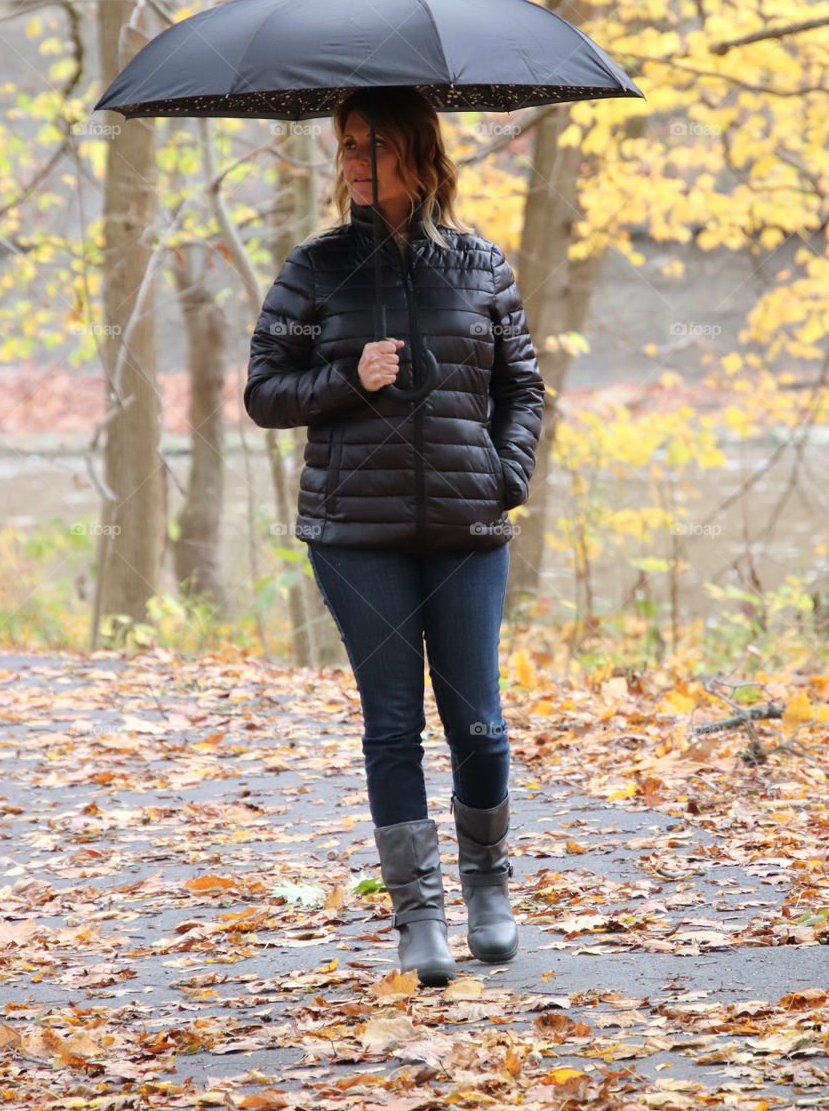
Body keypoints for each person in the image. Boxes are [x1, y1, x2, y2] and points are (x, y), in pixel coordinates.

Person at [244, 85, 545, 985]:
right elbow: (264, 392)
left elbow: (521, 389)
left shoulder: (480, 266)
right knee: (392, 724)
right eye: (345, 145)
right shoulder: (315, 269)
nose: (353, 162)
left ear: (418, 154)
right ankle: (419, 918)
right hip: (354, 532)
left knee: (479, 723)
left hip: (464, 527)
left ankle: (487, 887)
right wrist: (347, 374)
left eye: (371, 145)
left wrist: (506, 474)